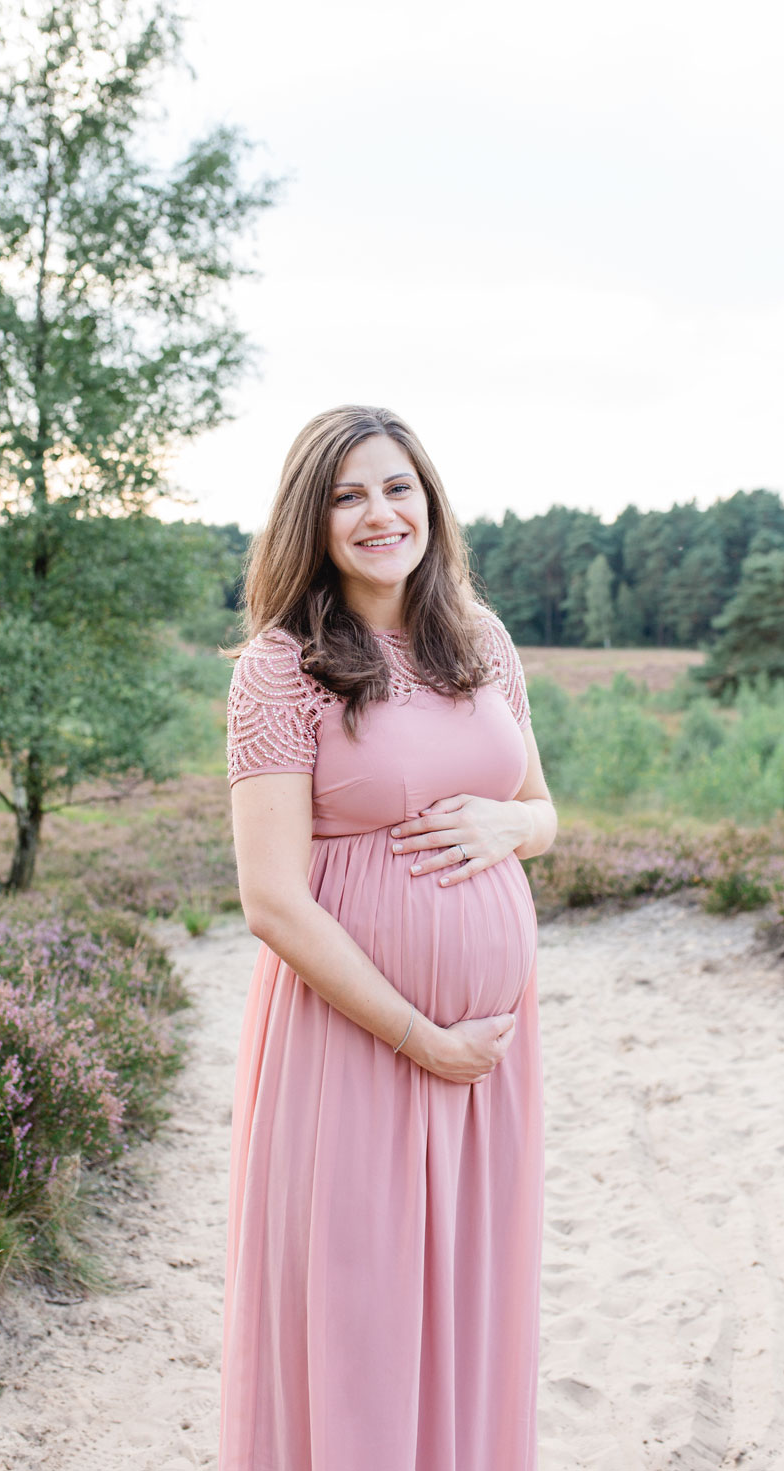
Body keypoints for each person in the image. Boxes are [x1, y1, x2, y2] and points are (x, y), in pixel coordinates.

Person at [220, 404, 557, 1471]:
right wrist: (420, 1036)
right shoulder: (283, 668)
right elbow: (272, 900)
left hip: (490, 1061)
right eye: (348, 494)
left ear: (430, 502)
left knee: (472, 1301)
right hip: (359, 1046)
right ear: (310, 521)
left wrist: (512, 822)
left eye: (397, 487)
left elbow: (541, 809)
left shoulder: (483, 640)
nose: (379, 513)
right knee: (360, 1317)